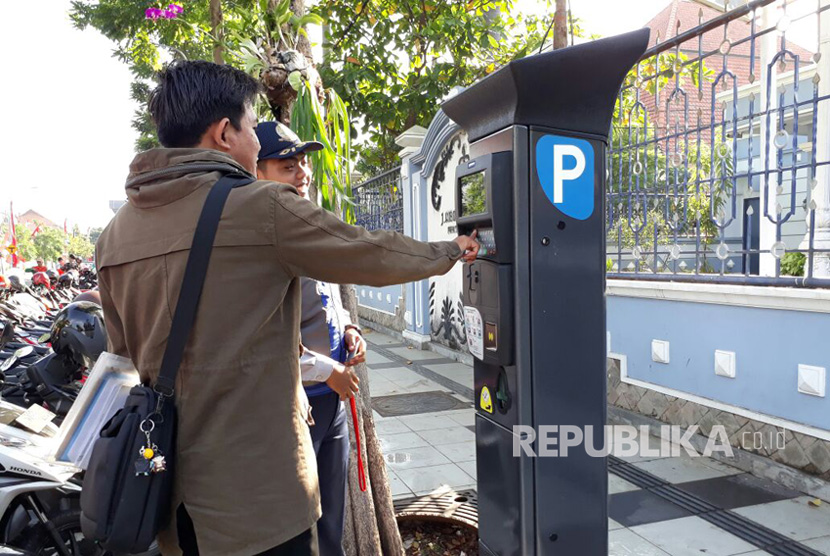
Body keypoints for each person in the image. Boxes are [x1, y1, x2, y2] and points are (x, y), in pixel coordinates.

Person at [95, 60, 479, 556]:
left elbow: (123, 360)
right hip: (260, 499)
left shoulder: (114, 236)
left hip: (165, 496)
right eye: (253, 126)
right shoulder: (260, 207)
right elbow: (367, 250)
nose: (257, 140)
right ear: (224, 133)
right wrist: (450, 250)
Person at [255, 121, 359, 556]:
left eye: (302, 163)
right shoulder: (257, 238)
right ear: (256, 171)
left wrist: (350, 329)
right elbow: (256, 345)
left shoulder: (309, 225)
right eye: (286, 165)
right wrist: (325, 369)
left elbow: (328, 296)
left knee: (332, 514)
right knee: (300, 524)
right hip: (292, 404)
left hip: (331, 400)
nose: (301, 173)